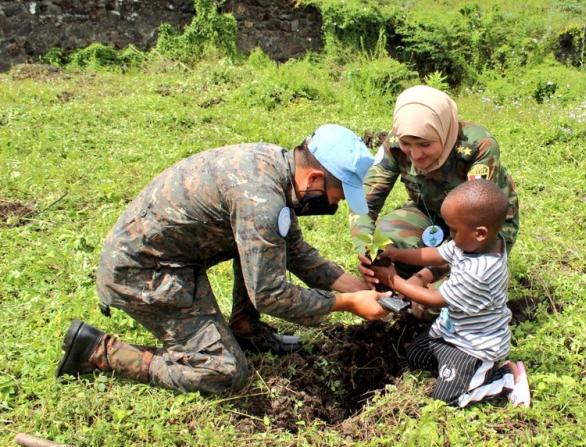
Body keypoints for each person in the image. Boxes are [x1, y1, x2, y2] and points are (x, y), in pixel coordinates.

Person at [56, 124, 391, 394]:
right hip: (143, 272)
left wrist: (358, 287)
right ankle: (98, 350)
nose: (336, 205)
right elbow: (269, 295)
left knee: (266, 249)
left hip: (170, 257)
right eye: (339, 195)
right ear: (315, 179)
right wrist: (347, 303)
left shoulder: (276, 168)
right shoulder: (261, 202)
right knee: (224, 371)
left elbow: (295, 251)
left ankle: (246, 328)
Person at [370, 180, 530, 408]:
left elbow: (435, 300)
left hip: (473, 347)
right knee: (415, 355)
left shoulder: (480, 271)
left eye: (453, 230)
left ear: (480, 233)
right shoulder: (472, 243)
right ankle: (456, 372)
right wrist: (396, 254)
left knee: (446, 399)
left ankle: (504, 377)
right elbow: (436, 255)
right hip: (450, 331)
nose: (450, 235)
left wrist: (392, 280)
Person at [352, 85, 519, 287]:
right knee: (388, 238)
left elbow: (476, 225)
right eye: (407, 144)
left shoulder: (477, 147)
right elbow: (364, 202)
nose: (415, 155)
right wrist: (366, 251)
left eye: (425, 144)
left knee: (456, 289)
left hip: (481, 226)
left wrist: (425, 276)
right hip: (430, 211)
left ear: (443, 132)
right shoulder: (394, 143)